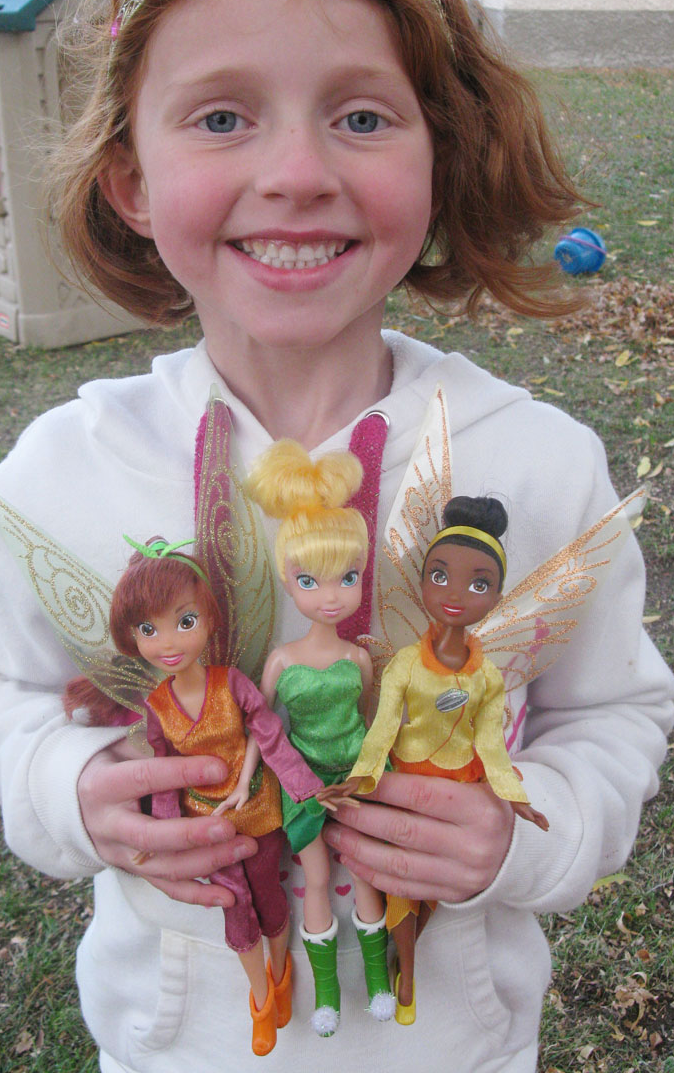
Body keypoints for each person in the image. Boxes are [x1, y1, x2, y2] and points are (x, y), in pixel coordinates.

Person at [0, 0, 674, 1073]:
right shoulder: (59, 477)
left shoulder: (539, 462)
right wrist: (64, 782)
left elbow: (613, 711)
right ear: (132, 182)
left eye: (363, 116)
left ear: (443, 163)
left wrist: (530, 835)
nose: (296, 171)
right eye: (221, 117)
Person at [63, 534, 324, 1056]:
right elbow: (164, 772)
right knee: (235, 907)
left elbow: (267, 732)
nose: (168, 642)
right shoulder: (158, 707)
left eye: (184, 622)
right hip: (206, 823)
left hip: (258, 809)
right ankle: (259, 999)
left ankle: (280, 973)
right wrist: (162, 833)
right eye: (148, 629)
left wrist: (299, 785)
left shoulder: (233, 684)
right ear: (132, 637)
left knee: (270, 898)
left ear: (208, 619)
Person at [320, 495, 550, 1026]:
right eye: (440, 576)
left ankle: (409, 961)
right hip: (405, 777)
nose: (454, 594)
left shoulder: (486, 677)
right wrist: (360, 776)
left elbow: (491, 744)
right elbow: (383, 727)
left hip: (461, 788)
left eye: (478, 584)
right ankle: (408, 972)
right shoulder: (405, 663)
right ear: (421, 581)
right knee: (401, 888)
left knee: (431, 892)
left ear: (497, 597)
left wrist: (516, 799)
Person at [245, 440, 394, 1036]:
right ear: (288, 580)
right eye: (311, 581)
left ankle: (379, 979)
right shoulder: (281, 661)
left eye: (347, 578)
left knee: (365, 868)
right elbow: (264, 726)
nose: (331, 597)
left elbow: (368, 714)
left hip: (353, 772)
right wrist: (246, 778)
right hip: (303, 780)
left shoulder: (359, 658)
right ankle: (326, 994)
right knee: (315, 874)